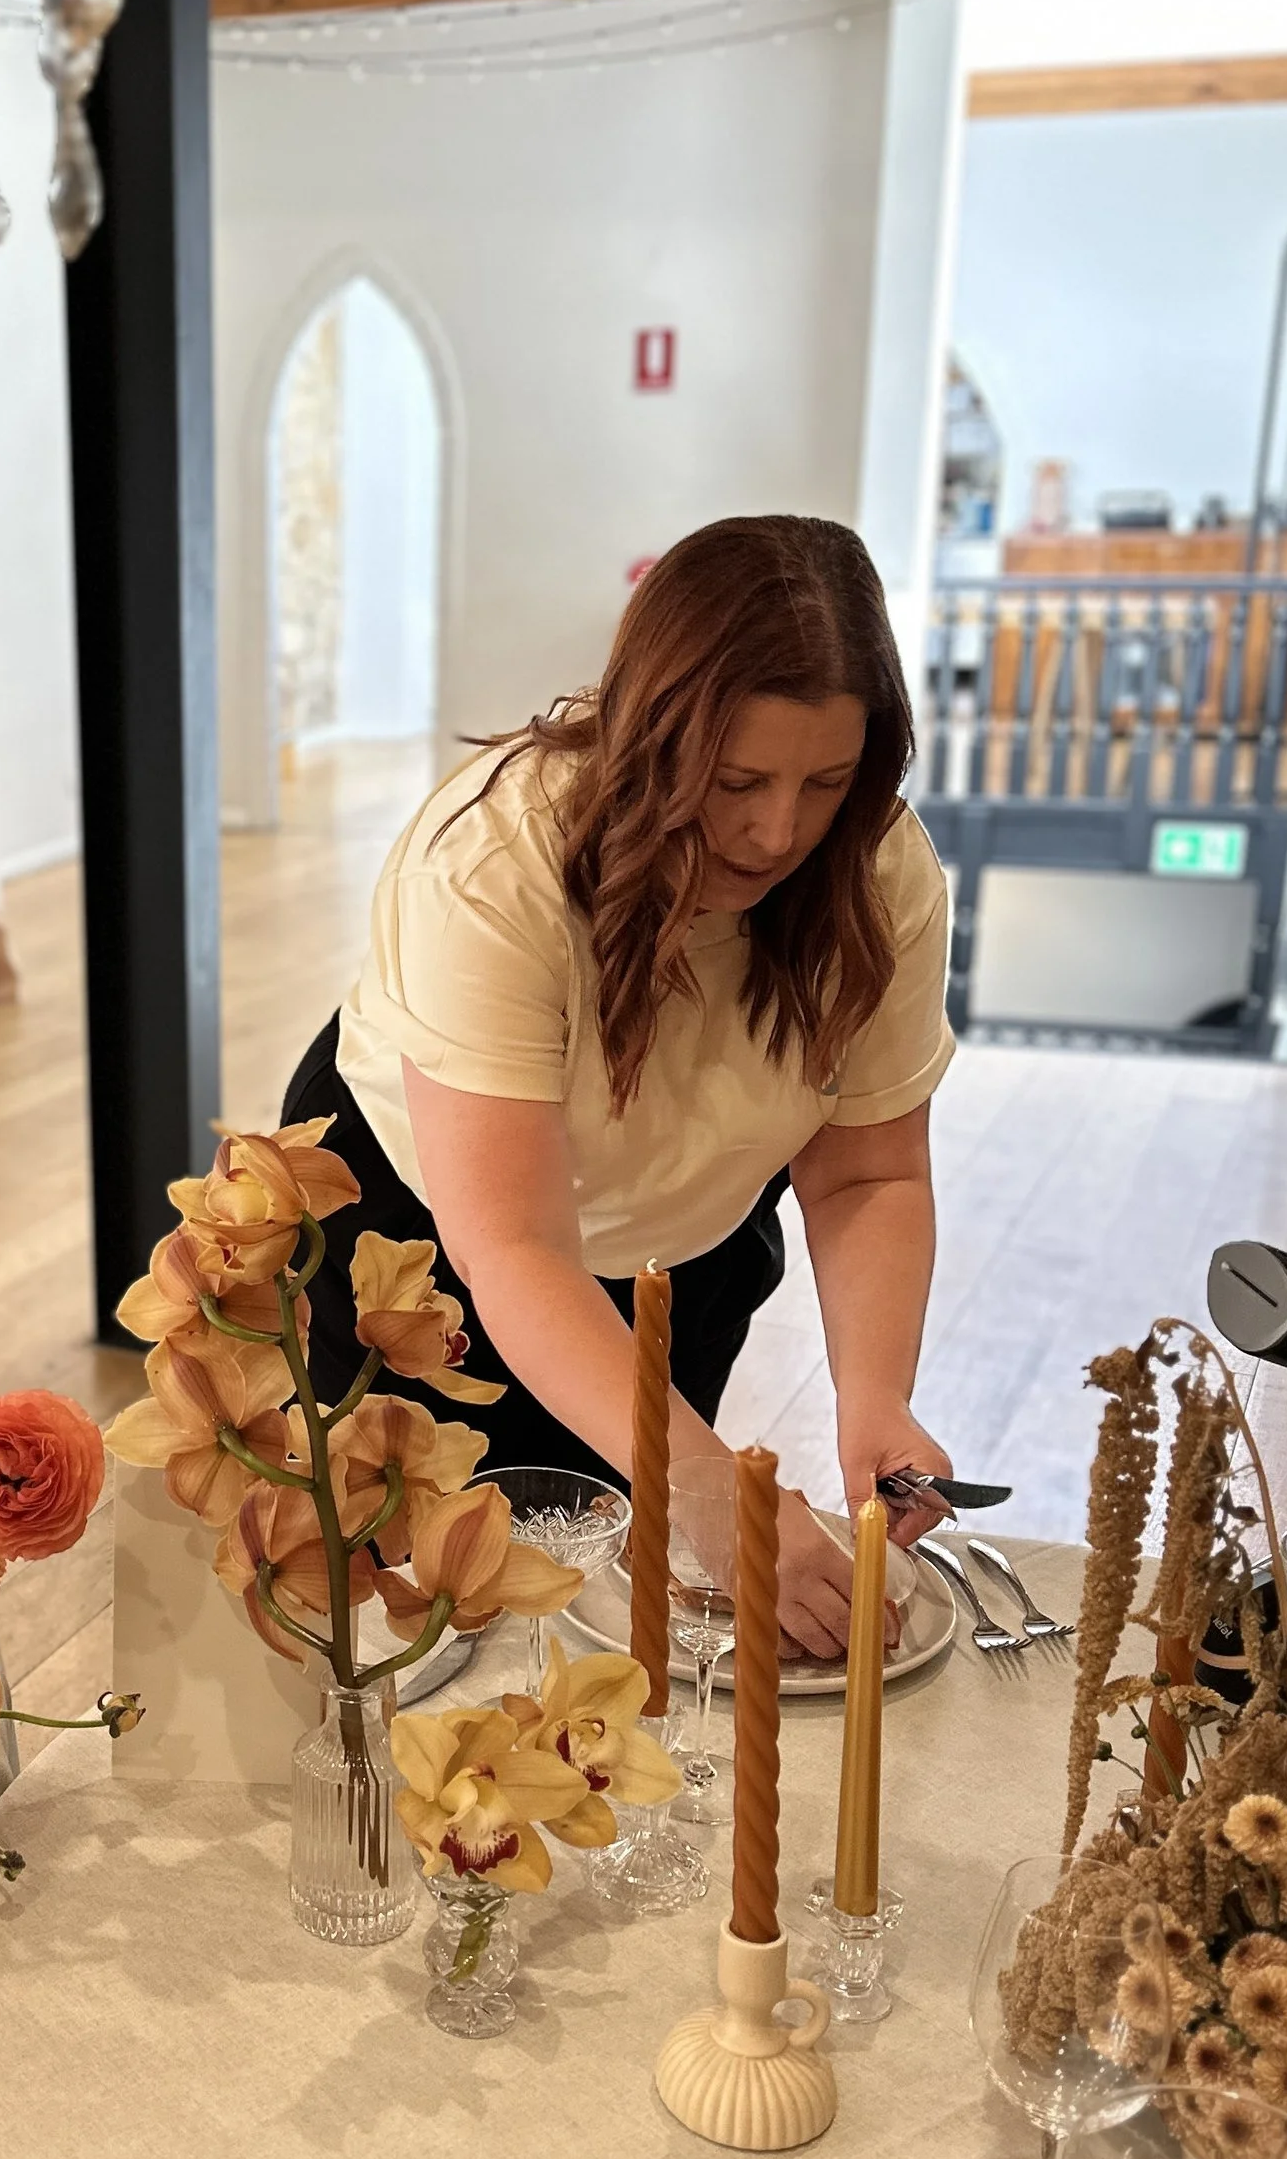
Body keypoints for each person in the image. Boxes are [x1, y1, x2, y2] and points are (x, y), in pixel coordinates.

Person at [287, 513, 954, 1659]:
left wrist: (874, 1400)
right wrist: (702, 1482)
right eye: (735, 779)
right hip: (419, 1250)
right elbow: (513, 1245)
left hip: (672, 1258)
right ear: (652, 735)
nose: (777, 829)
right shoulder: (493, 861)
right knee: (406, 1637)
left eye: (826, 781)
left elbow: (867, 1173)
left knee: (603, 1621)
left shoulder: (876, 871)